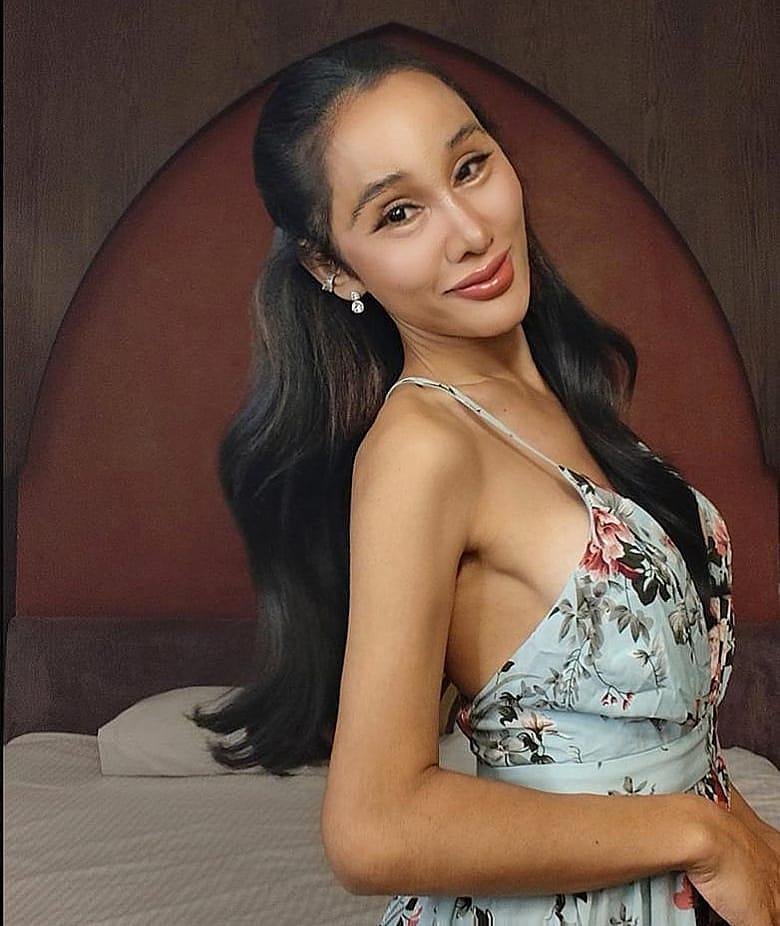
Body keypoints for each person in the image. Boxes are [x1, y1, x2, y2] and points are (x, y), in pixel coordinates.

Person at [191, 36, 780, 924]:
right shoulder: (422, 447)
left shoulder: (557, 397)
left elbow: (664, 740)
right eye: (398, 213)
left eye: (470, 167)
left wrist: (743, 835)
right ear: (332, 265)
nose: (470, 232)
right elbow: (372, 831)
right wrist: (703, 835)